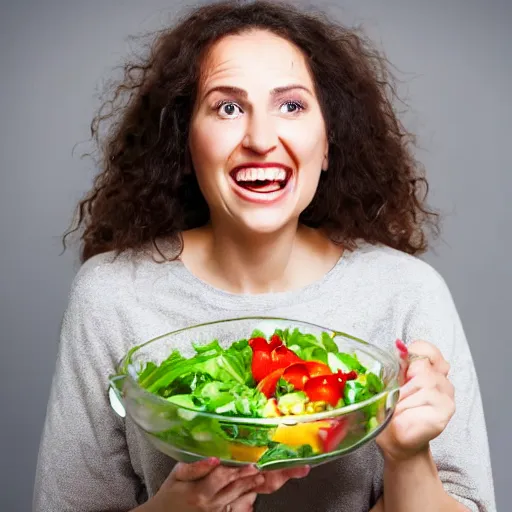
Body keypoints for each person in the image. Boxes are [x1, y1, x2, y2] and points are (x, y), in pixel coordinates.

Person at [33, 1, 496, 511]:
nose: (259, 139)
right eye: (227, 107)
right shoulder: (112, 295)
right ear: (187, 141)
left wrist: (409, 456)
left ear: (328, 143)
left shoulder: (407, 292)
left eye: (291, 106)